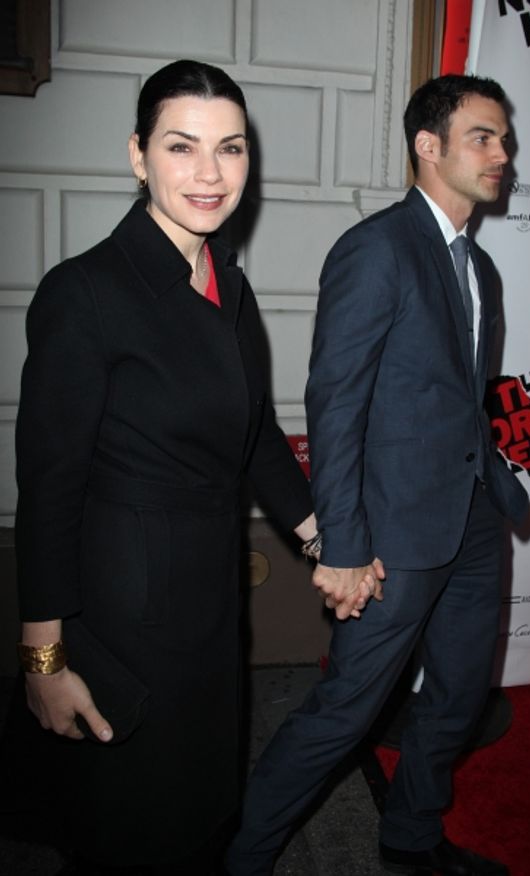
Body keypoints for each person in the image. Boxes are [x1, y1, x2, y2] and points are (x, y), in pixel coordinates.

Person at [0, 60, 317, 875]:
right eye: (182, 146)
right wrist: (43, 660)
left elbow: (255, 436)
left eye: (231, 148)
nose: (210, 173)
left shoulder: (228, 284)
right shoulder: (84, 292)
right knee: (133, 830)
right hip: (124, 618)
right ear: (138, 155)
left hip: (211, 604)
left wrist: (326, 538)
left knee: (203, 810)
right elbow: (49, 488)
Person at [225, 74, 530, 876]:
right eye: (483, 137)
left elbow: (458, 400)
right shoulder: (377, 249)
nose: (502, 154)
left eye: (504, 138)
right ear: (428, 146)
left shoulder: (480, 269)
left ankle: (411, 838)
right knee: (347, 710)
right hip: (394, 534)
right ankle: (243, 857)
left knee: (458, 696)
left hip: (472, 520)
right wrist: (345, 544)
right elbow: (335, 405)